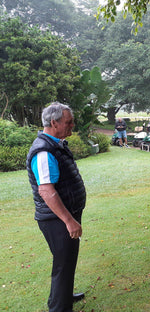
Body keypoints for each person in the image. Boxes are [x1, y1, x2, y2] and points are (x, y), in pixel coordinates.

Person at [26, 102, 86, 312]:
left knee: (66, 262)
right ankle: (59, 307)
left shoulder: (55, 144)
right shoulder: (43, 151)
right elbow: (46, 191)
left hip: (63, 217)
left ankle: (63, 296)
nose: (72, 126)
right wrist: (69, 220)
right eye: (68, 122)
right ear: (54, 122)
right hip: (57, 220)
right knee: (63, 264)